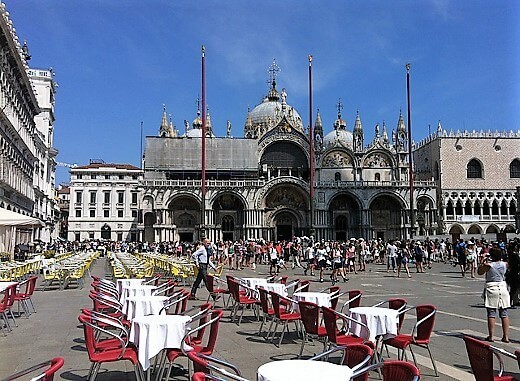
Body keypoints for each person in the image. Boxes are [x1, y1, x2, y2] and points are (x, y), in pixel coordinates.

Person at [478, 246, 510, 343]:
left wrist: (482, 260)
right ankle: (506, 336)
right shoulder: (505, 264)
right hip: (502, 287)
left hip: (492, 288)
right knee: (504, 313)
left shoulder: (489, 265)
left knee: (491, 313)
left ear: (491, 256)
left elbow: (479, 272)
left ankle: (491, 336)